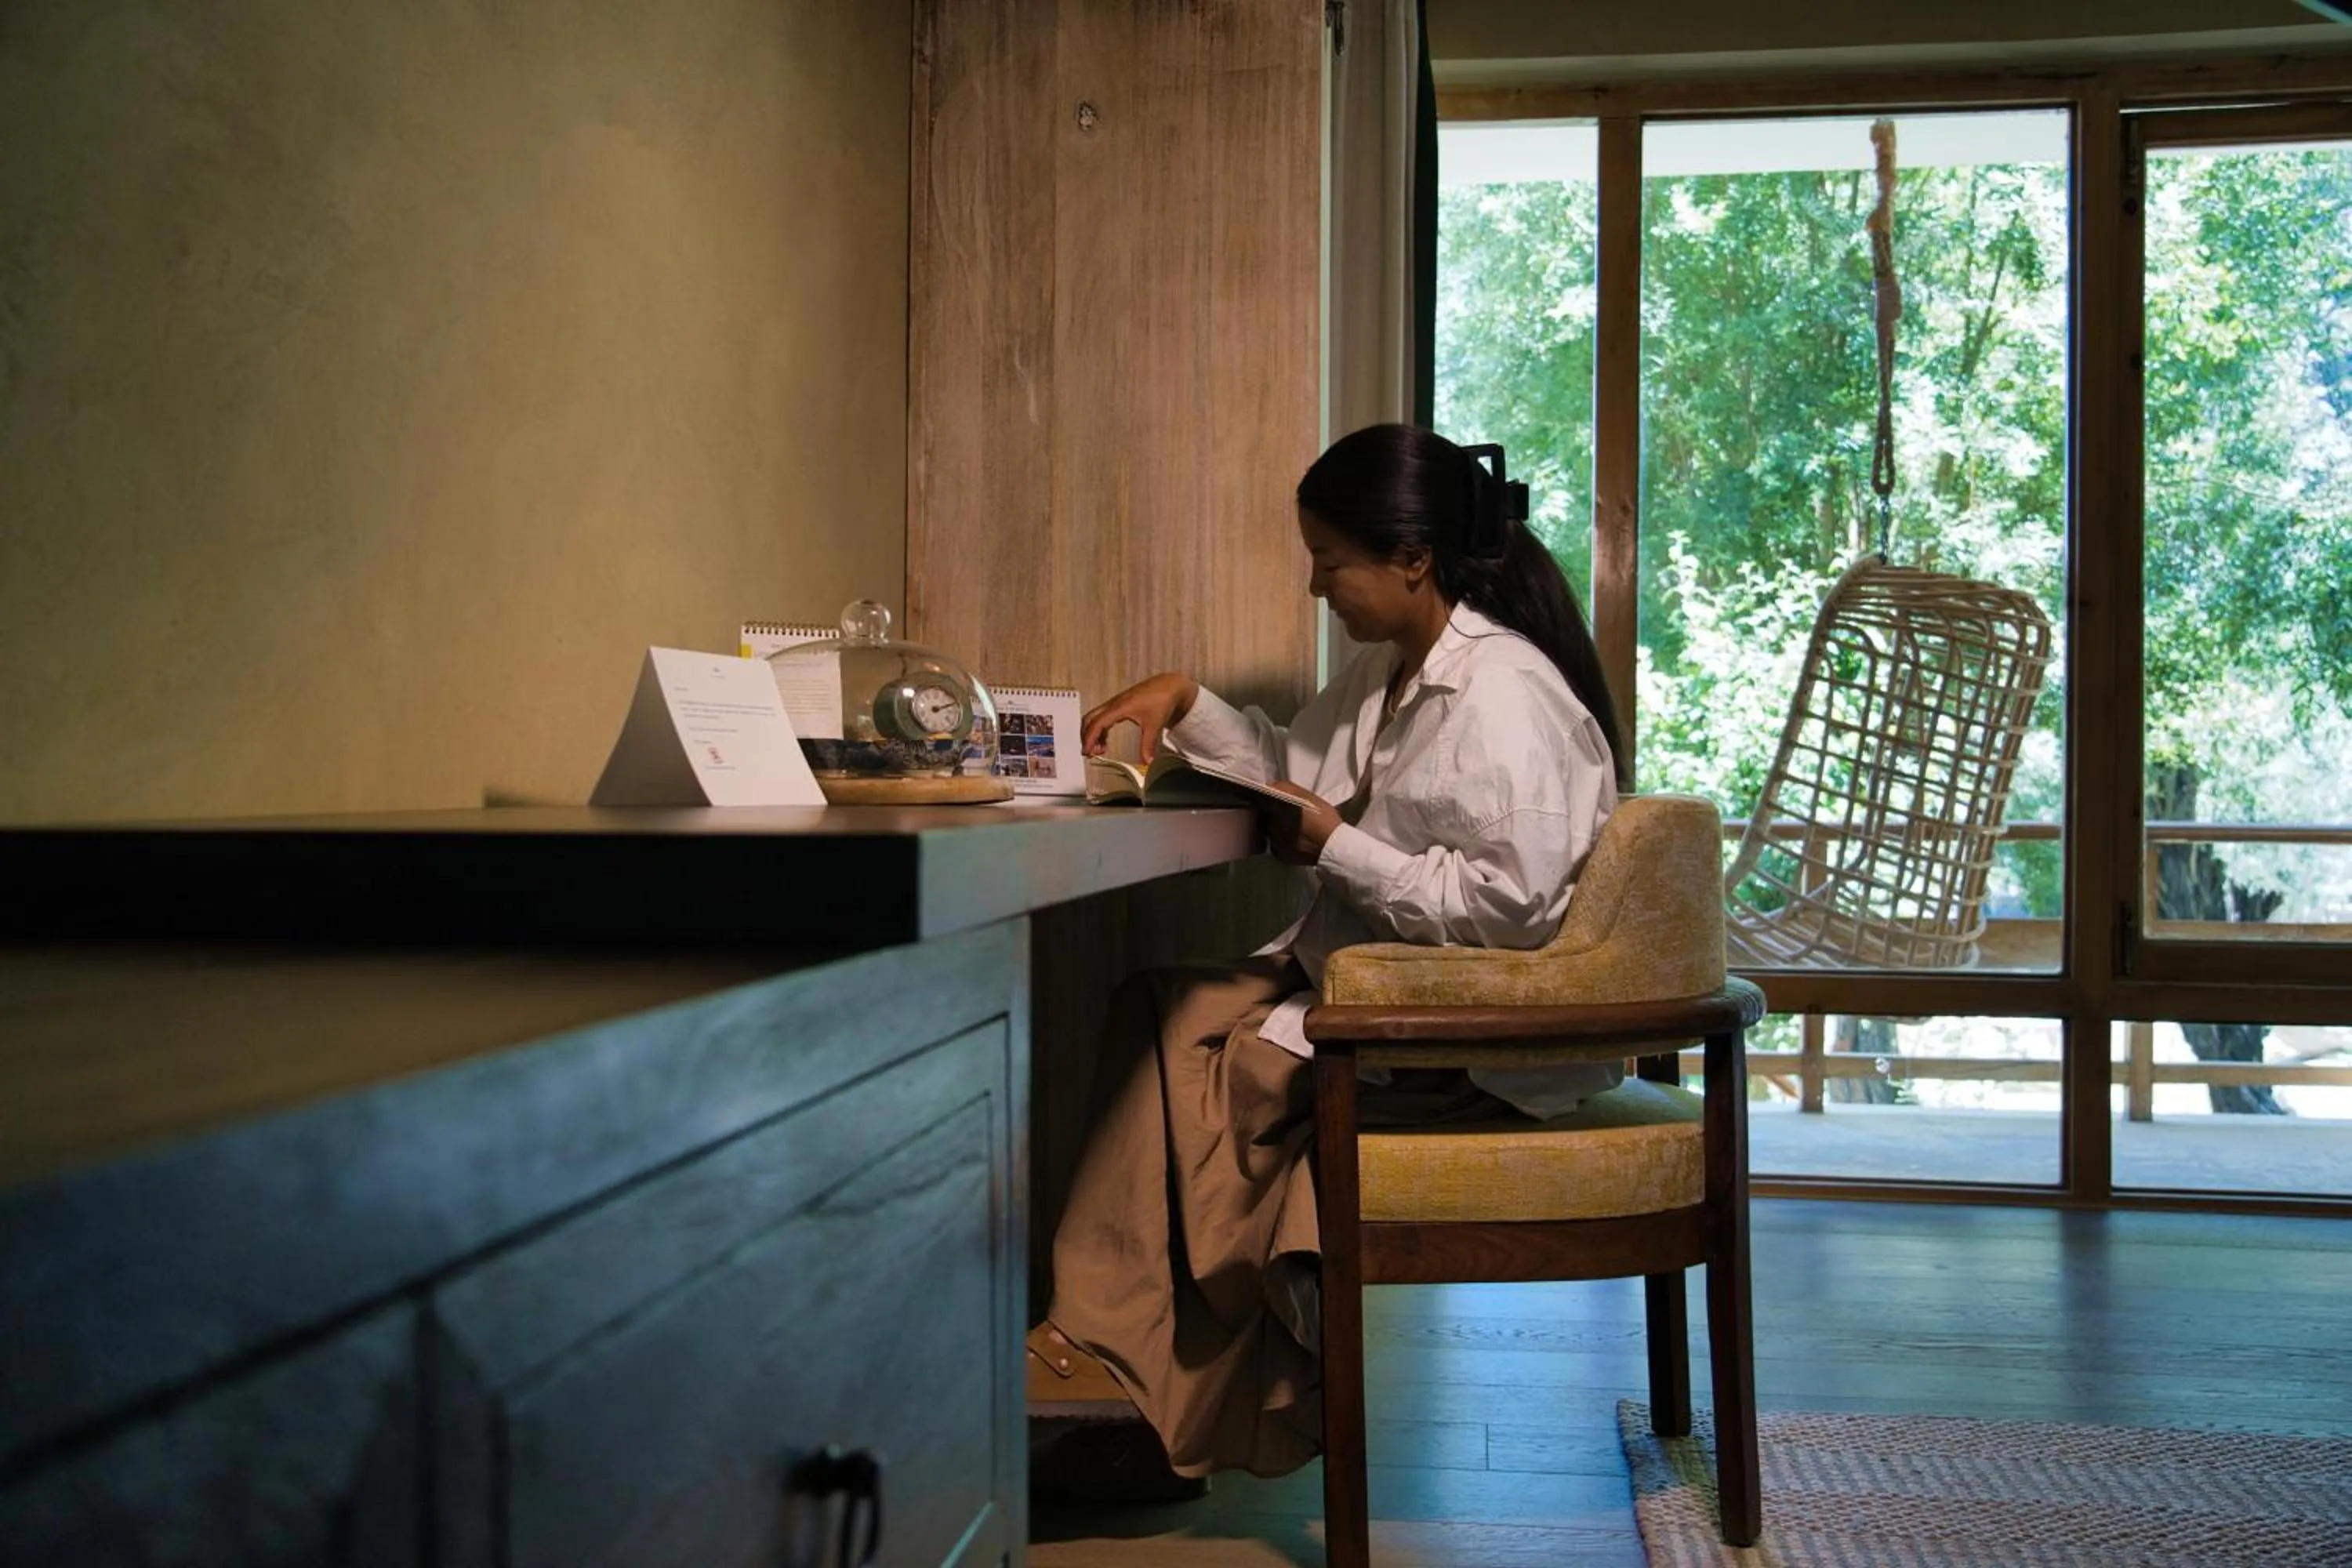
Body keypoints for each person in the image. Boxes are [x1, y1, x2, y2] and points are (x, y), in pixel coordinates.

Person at [1029, 423, 1630, 1484]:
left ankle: (1138, 1367)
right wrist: (1184, 701)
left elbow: (1516, 911)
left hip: (1474, 1040)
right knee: (1155, 1007)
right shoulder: (1392, 673)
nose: (1317, 586)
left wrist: (1339, 847)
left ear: (1413, 559)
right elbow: (1291, 770)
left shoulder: (1505, 695)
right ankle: (1123, 1373)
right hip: (1393, 994)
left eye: (1329, 560)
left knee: (1218, 1067)